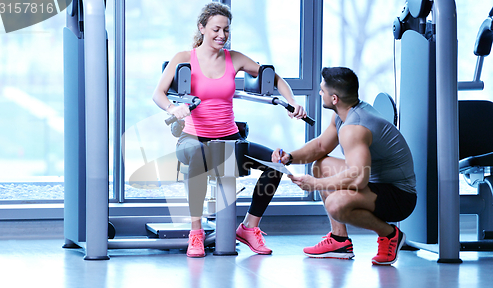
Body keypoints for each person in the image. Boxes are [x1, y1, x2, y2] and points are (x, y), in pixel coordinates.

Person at [152, 3, 306, 258]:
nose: (221, 35)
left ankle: (248, 227)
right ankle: (196, 232)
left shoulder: (234, 58)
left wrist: (292, 102)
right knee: (199, 156)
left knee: (276, 165)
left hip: (230, 139)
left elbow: (276, 78)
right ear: (202, 28)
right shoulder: (184, 58)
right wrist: (172, 108)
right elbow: (158, 93)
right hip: (193, 138)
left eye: (226, 30)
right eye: (215, 29)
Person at [272, 67, 417, 265]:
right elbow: (321, 146)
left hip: (399, 196)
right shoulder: (344, 114)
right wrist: (289, 157)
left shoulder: (355, 127)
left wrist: (315, 184)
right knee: (321, 164)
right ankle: (339, 241)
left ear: (334, 99)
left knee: (335, 203)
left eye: (322, 90)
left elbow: (358, 177)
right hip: (376, 183)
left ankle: (390, 234)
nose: (320, 92)